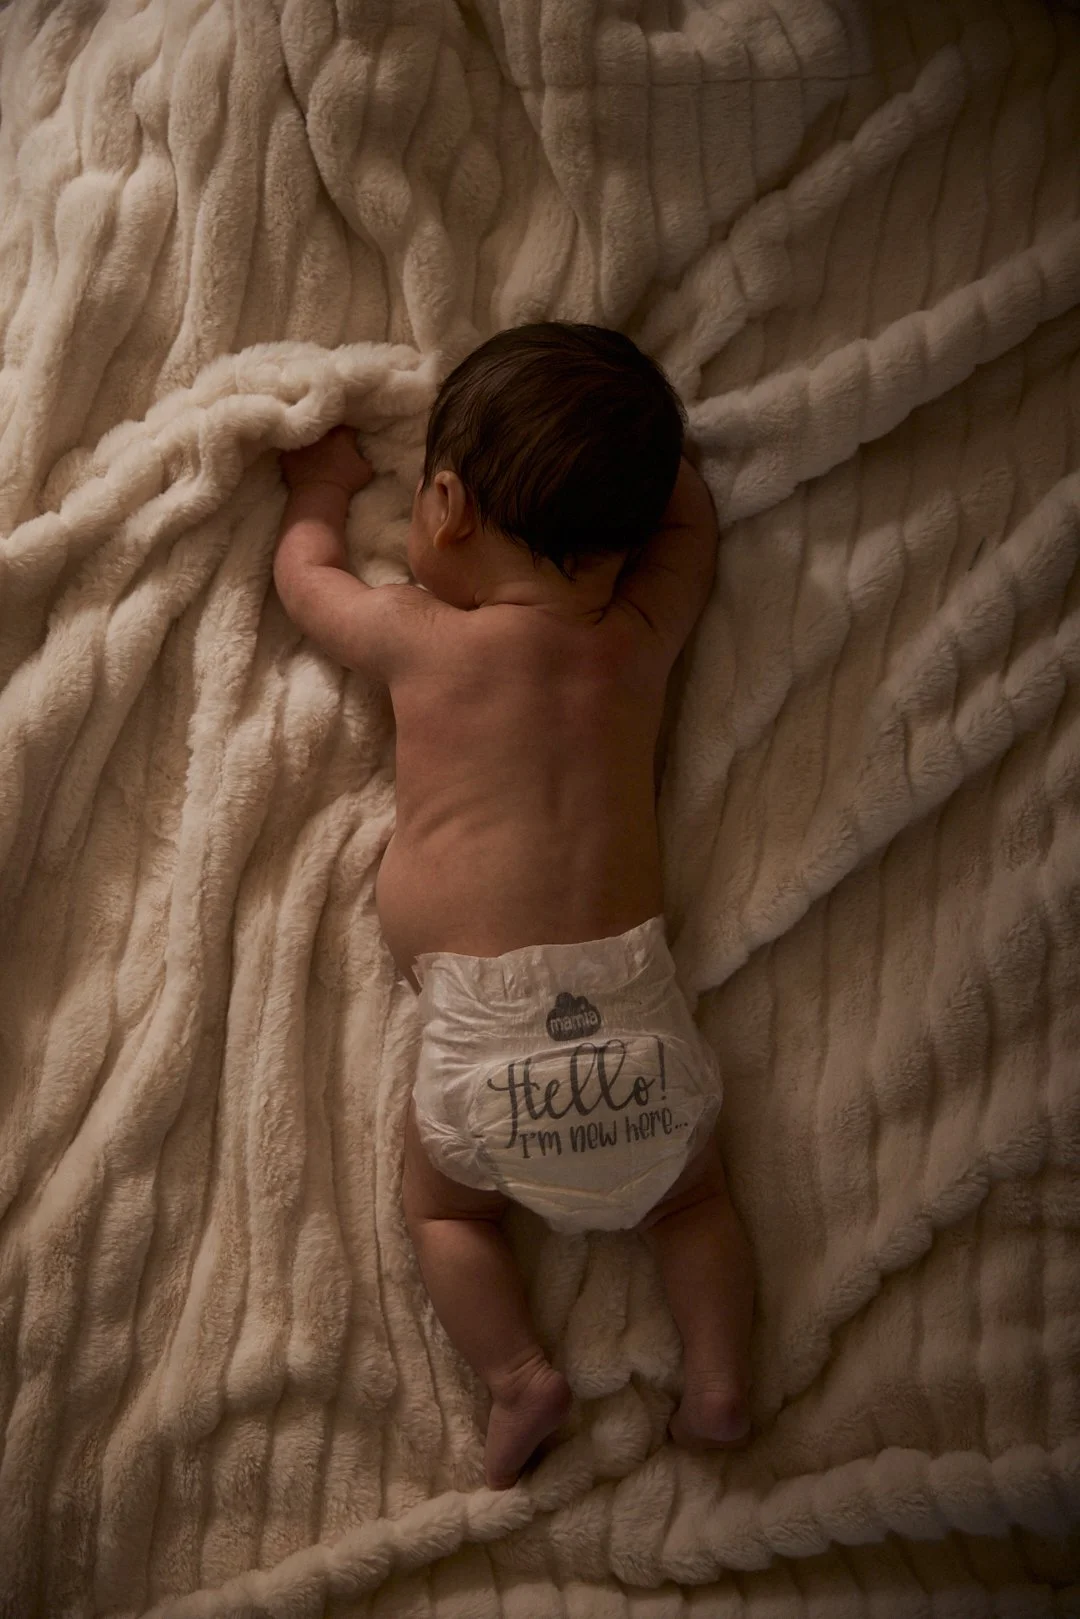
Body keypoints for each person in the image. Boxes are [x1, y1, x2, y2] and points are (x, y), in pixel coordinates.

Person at [274, 323, 754, 1490]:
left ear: (445, 503)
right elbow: (692, 529)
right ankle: (720, 1377)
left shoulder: (420, 637)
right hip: (632, 1013)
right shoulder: (638, 638)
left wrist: (322, 490)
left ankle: (519, 1375)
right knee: (691, 1203)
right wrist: (648, 460)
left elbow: (306, 580)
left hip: (482, 1035)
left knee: (448, 1214)